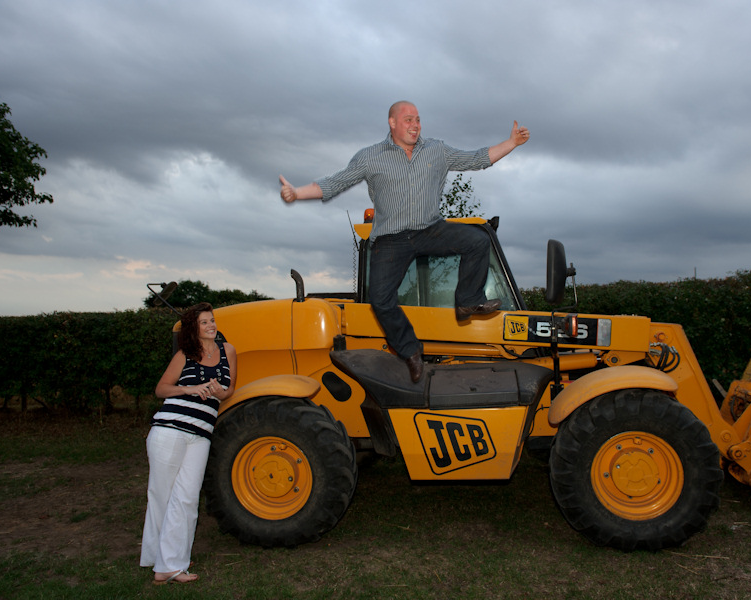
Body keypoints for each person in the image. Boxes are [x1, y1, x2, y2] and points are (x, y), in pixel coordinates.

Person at [279, 101, 530, 383]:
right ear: (393, 123)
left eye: (418, 120)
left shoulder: (437, 149)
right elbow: (334, 183)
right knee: (380, 300)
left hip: (430, 229)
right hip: (390, 238)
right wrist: (296, 193)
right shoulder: (370, 157)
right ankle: (410, 351)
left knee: (478, 240)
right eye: (409, 120)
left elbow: (477, 159)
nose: (415, 125)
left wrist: (511, 143)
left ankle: (467, 301)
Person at [140, 302, 237, 585]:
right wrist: (190, 388)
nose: (211, 325)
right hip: (170, 428)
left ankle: (169, 563)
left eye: (212, 320)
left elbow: (230, 390)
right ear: (194, 329)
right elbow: (161, 389)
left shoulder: (228, 350)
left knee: (187, 498)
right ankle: (162, 562)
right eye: (205, 322)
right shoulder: (185, 354)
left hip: (201, 435)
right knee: (162, 494)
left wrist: (221, 392)